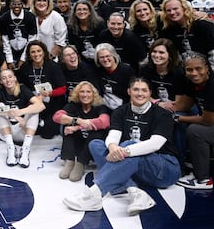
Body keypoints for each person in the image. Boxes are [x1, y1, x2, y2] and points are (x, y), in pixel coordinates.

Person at [63, 78, 181, 216]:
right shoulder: (121, 111)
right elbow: (113, 136)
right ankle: (135, 192)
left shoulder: (162, 114)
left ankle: (95, 194)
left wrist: (125, 151)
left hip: (165, 168)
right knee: (95, 144)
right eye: (136, 89)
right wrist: (113, 147)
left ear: (150, 93)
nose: (140, 93)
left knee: (129, 144)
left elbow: (156, 144)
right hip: (135, 166)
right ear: (129, 91)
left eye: (144, 90)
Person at [52, 81, 110, 182]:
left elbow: (105, 122)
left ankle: (81, 162)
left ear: (93, 94)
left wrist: (78, 127)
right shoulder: (73, 105)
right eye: (82, 92)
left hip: (91, 145)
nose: (85, 95)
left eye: (88, 92)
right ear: (77, 94)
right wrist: (78, 121)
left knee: (96, 132)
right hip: (78, 141)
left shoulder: (100, 106)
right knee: (68, 125)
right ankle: (69, 161)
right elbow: (56, 117)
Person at [0, 69, 45, 168]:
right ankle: (10, 148)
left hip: (22, 129)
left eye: (10, 77)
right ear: (1, 81)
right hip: (6, 132)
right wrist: (9, 113)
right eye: (4, 78)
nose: (8, 80)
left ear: (15, 78)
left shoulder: (22, 89)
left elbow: (41, 106)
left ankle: (25, 149)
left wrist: (21, 112)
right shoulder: (1, 92)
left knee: (34, 110)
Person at [174, 52, 214, 190]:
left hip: (210, 121)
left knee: (196, 131)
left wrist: (178, 118)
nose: (194, 73)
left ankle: (203, 179)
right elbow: (185, 105)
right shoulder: (193, 82)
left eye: (198, 69)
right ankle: (186, 163)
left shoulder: (212, 86)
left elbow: (207, 121)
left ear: (207, 68)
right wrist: (162, 108)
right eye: (189, 70)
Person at [17, 40, 67, 139]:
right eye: (33, 52)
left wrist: (49, 93)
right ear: (29, 54)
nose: (36, 54)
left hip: (52, 103)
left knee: (48, 133)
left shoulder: (53, 66)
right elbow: (21, 87)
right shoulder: (25, 67)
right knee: (27, 129)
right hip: (33, 102)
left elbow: (63, 89)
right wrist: (31, 98)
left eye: (39, 51)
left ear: (44, 52)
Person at [160, 0, 214, 70]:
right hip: (185, 71)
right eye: (168, 10)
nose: (172, 12)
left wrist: (211, 73)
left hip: (207, 71)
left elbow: (212, 52)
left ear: (184, 8)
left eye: (175, 9)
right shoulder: (168, 30)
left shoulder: (203, 25)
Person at [139, 38, 183, 109]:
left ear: (170, 55)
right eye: (154, 51)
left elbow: (179, 102)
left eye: (161, 52)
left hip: (174, 109)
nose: (156, 55)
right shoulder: (145, 69)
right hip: (151, 106)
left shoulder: (179, 73)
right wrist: (157, 103)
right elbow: (140, 93)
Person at [0, 0, 37, 69]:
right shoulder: (4, 18)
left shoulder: (30, 17)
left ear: (23, 4)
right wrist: (9, 60)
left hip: (26, 52)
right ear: (10, 4)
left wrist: (23, 59)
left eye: (19, 4)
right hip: (11, 52)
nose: (16, 6)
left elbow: (31, 40)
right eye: (13, 4)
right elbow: (5, 41)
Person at [94, 43, 136, 111]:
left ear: (114, 56)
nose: (105, 59)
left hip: (123, 108)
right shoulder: (98, 71)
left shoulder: (126, 71)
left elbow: (133, 92)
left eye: (108, 56)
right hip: (105, 106)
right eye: (101, 57)